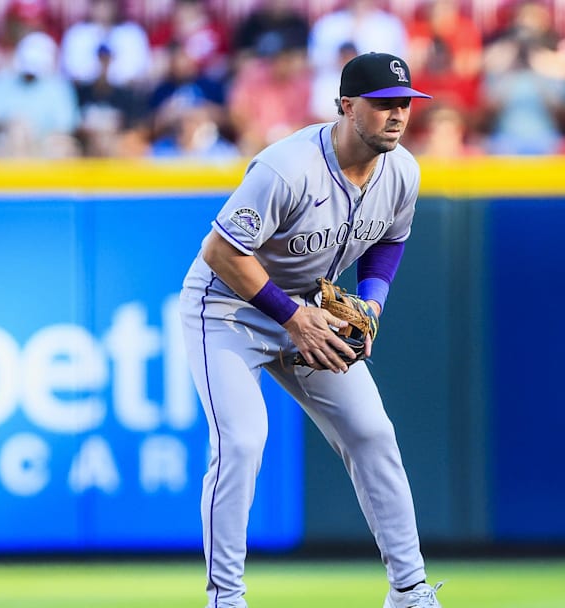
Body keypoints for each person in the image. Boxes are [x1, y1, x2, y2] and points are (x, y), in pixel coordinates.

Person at [179, 52, 443, 608]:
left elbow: (391, 240)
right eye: (382, 104)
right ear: (347, 106)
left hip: (305, 311)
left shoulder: (403, 171)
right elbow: (221, 251)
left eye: (404, 104)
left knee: (373, 433)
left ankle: (410, 591)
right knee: (243, 442)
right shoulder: (287, 167)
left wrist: (371, 306)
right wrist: (295, 318)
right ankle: (226, 598)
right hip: (226, 307)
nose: (397, 115)